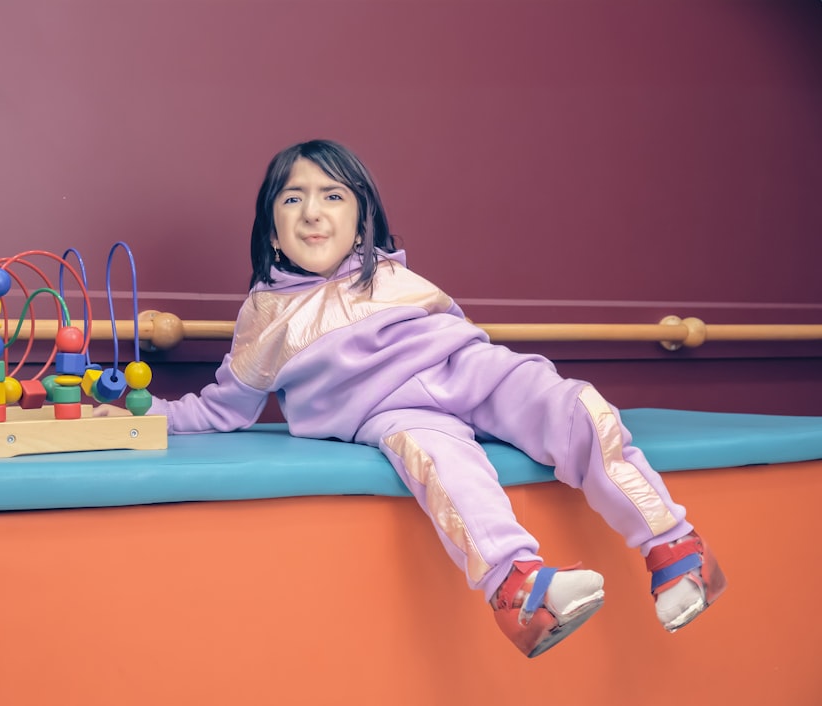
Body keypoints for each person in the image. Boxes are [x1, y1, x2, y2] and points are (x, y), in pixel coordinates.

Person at [98, 139, 726, 658]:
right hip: (389, 415)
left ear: (359, 215)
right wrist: (142, 411)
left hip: (467, 370)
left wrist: (495, 386)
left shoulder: (388, 270)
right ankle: (521, 589)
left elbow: (453, 327)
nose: (312, 213)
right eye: (292, 199)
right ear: (272, 227)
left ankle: (673, 548)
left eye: (332, 196)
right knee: (445, 471)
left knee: (575, 406)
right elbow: (221, 407)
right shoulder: (266, 313)